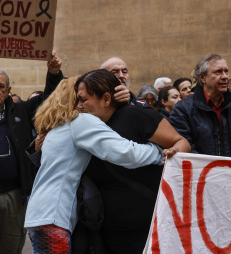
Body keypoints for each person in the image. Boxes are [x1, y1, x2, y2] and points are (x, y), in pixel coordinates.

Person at [24, 75, 166, 254]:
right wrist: (159, 151)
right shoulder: (79, 122)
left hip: (41, 213)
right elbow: (124, 153)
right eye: (82, 96)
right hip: (54, 216)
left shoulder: (58, 125)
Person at [76, 70, 190, 254]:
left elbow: (181, 142)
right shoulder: (83, 129)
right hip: (104, 234)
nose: (79, 106)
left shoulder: (137, 116)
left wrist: (173, 152)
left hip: (148, 231)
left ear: (106, 99)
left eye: (83, 100)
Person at [0, 52, 63, 253]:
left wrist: (54, 72)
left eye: (0, 86)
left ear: (8, 90)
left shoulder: (22, 111)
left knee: (12, 247)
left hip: (14, 196)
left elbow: (49, 99)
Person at [170, 53, 231, 156]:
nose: (225, 76)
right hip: (201, 171)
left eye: (226, 71)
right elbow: (184, 145)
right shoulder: (183, 109)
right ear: (202, 77)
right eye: (218, 72)